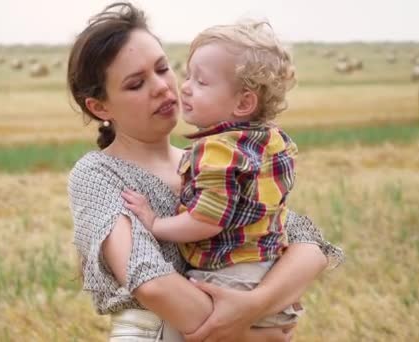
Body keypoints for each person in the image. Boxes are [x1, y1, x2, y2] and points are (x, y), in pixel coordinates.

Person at [67, 2, 343, 341]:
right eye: (136, 83)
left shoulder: (212, 161)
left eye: (163, 68)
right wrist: (253, 336)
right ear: (100, 107)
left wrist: (254, 303)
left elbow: (308, 245)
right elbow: (150, 282)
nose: (163, 87)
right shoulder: (99, 174)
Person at [121, 20, 320, 328]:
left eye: (201, 82)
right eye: (187, 76)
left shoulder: (216, 151)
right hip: (266, 270)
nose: (184, 87)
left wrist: (155, 223)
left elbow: (206, 221)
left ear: (243, 102)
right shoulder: (273, 141)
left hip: (225, 278)